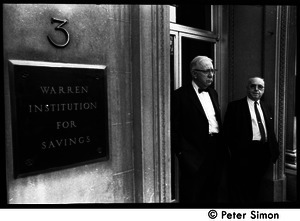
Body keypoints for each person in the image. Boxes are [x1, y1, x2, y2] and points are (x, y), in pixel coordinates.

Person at [171, 55, 229, 203]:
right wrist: (182, 154)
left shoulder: (213, 93)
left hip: (216, 149)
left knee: (213, 192)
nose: (211, 75)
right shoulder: (179, 95)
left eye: (213, 70)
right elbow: (174, 128)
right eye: (206, 71)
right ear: (194, 73)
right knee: (192, 194)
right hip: (194, 154)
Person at [223, 77, 279, 203]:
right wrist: (237, 152)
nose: (256, 89)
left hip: (263, 153)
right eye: (253, 86)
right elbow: (228, 132)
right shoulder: (235, 106)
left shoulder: (266, 106)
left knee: (256, 185)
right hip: (244, 154)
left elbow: (270, 131)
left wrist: (274, 151)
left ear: (264, 90)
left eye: (260, 87)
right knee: (242, 188)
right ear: (247, 88)